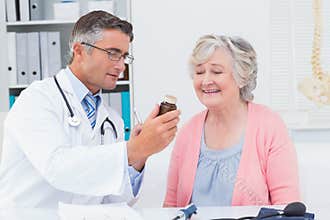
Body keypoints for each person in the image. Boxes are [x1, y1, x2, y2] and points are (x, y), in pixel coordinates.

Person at [0, 11, 180, 208]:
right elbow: (56, 168)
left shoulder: (113, 120)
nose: (121, 66)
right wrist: (132, 149)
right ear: (79, 51)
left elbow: (114, 200)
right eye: (113, 54)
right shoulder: (37, 99)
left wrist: (140, 155)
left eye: (124, 56)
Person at [163, 35, 300, 207]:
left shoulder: (269, 126)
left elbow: (287, 208)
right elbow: (170, 207)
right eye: (199, 72)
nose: (205, 81)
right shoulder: (188, 131)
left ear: (241, 77)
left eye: (217, 71)